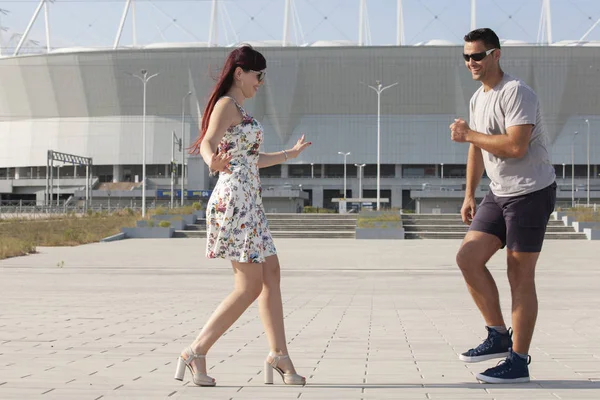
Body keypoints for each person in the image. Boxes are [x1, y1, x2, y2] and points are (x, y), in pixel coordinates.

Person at [174, 45, 311, 387]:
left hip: (250, 200)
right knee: (249, 285)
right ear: (240, 73)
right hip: (233, 199)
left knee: (272, 273)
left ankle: (278, 354)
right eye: (258, 75)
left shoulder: (241, 110)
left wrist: (288, 154)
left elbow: (252, 159)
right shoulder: (226, 106)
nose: (261, 82)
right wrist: (210, 161)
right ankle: (196, 350)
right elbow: (208, 142)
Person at [450, 28, 556, 384]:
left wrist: (469, 134)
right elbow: (476, 149)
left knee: (518, 275)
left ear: (496, 55)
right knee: (468, 257)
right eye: (466, 57)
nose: (470, 63)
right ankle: (497, 334)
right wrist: (469, 194)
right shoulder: (478, 98)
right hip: (498, 193)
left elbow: (515, 147)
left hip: (530, 192)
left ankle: (519, 360)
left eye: (477, 56)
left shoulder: (517, 93)